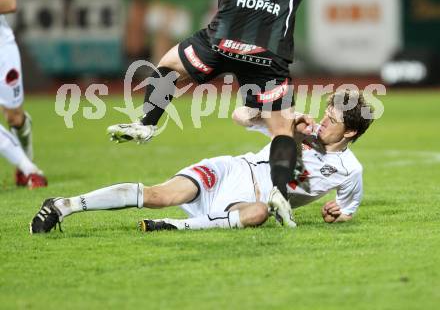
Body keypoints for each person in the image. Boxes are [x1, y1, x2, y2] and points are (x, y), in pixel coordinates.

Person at [108, 0, 397, 198]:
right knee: (281, 128)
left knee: (169, 65)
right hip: (269, 54)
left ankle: (147, 122)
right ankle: (280, 196)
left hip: (222, 42)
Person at [30, 90, 372, 234]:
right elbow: (240, 116)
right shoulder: (298, 127)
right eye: (326, 113)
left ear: (351, 132)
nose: (323, 122)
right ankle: (65, 205)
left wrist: (335, 214)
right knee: (159, 194)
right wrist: (281, 118)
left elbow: (345, 210)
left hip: (247, 202)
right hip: (232, 170)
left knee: (259, 213)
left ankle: (172, 226)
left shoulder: (350, 171)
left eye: (333, 120)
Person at [0, 0, 47, 188]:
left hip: (2, 50)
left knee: (14, 118)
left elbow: (9, 3)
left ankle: (25, 162)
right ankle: (29, 169)